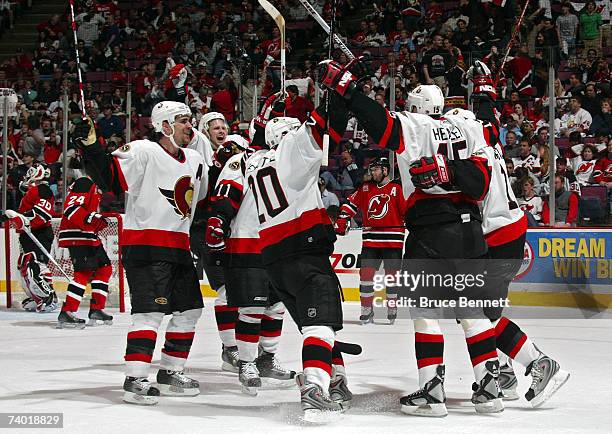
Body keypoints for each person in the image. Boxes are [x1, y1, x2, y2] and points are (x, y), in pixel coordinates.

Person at [318, 61, 503, 415]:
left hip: (432, 231)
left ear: (417, 109)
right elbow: (480, 181)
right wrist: (484, 95)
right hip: (470, 232)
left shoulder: (415, 126)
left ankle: (432, 393)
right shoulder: (469, 125)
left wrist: (349, 89)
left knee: (426, 312)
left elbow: (381, 125)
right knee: (472, 310)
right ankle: (490, 388)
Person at [213, 96, 352, 421]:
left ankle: (305, 369)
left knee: (286, 312)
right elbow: (323, 127)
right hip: (284, 247)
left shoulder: (258, 160)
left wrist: (264, 115)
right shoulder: (283, 158)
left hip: (274, 250)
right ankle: (312, 381)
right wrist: (341, 94)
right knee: (312, 321)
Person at [76, 101, 208, 405]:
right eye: (183, 121)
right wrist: (92, 146)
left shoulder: (195, 158)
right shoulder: (142, 151)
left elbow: (199, 202)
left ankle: (171, 371)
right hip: (146, 247)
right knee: (150, 314)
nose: (190, 126)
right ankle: (135, 378)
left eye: (191, 120)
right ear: (164, 126)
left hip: (179, 247)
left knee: (189, 311)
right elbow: (108, 177)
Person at [467, 62, 569, 406]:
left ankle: (538, 363)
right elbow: (488, 114)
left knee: (477, 312)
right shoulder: (489, 135)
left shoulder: (468, 148)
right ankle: (504, 371)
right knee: (483, 309)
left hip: (497, 232)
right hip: (508, 227)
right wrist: (482, 87)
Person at [207, 130, 296, 395]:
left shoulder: (296, 165)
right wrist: (219, 222)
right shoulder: (247, 160)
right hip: (248, 243)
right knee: (250, 308)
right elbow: (226, 194)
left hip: (281, 245)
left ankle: (266, 359)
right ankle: (246, 362)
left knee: (277, 306)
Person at [335, 157, 406, 324]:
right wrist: (343, 218)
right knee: (365, 276)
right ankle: (367, 309)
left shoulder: (397, 189)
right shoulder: (366, 188)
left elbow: (406, 211)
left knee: (392, 278)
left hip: (393, 242)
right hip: (370, 240)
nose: (372, 173)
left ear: (385, 170)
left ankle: (392, 306)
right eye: (372, 170)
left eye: (376, 170)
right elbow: (350, 204)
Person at [56, 176, 113, 328]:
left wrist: (94, 220)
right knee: (83, 273)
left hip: (87, 235)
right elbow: (71, 208)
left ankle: (97, 309)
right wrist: (90, 218)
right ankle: (67, 312)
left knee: (105, 268)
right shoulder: (84, 182)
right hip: (77, 234)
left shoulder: (95, 186)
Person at [1, 163, 58, 313]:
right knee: (26, 264)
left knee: (34, 264)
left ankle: (49, 297)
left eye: (31, 172)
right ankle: (37, 296)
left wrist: (21, 217)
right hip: (29, 233)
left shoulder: (43, 189)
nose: (27, 175)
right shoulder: (33, 191)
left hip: (39, 233)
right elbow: (21, 186)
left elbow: (43, 214)